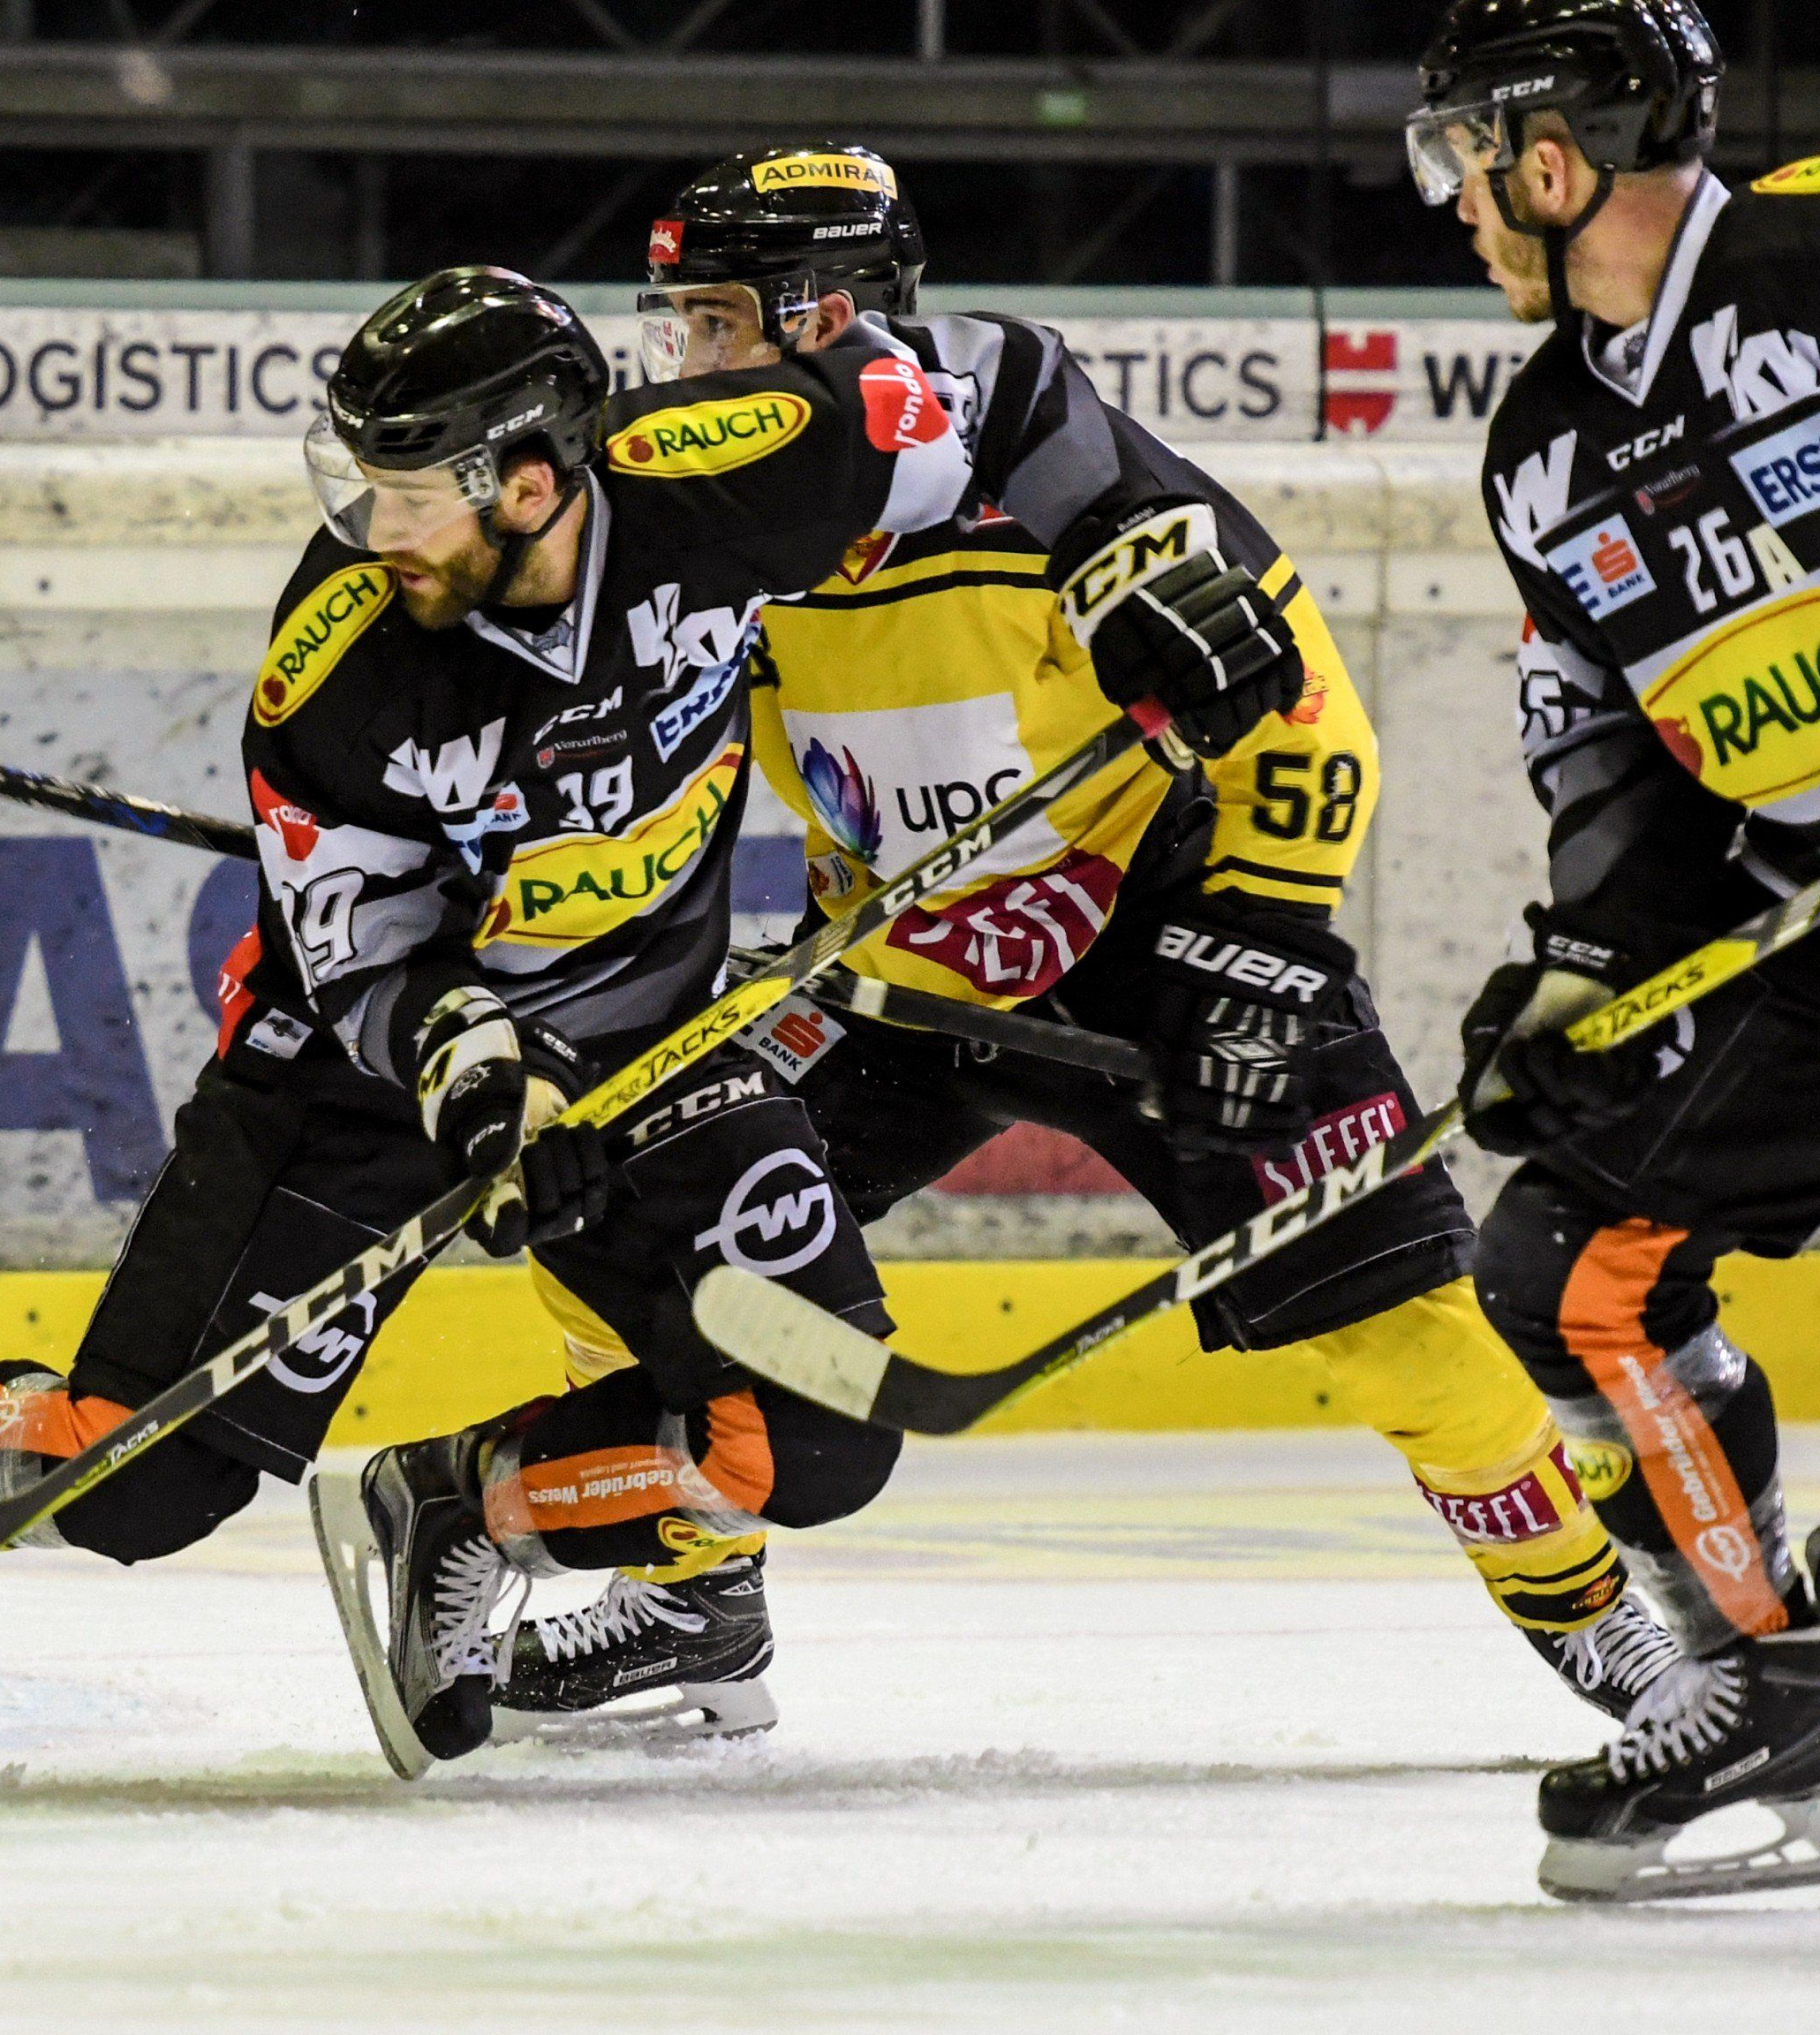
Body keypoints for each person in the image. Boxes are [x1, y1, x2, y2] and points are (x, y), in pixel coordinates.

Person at [0, 261, 1307, 1771]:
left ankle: (452, 1506)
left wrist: (1140, 553)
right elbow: (364, 959)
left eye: (404, 492)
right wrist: (486, 1089)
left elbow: (996, 384)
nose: (366, 527)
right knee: (138, 1487)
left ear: (541, 478)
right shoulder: (343, 658)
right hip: (361, 1079)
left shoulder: (731, 476)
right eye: (356, 483)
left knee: (816, 1435)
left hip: (654, 1047)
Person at [487, 141, 1674, 1746]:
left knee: (1406, 1332)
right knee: (628, 1196)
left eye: (709, 325)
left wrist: (1258, 936)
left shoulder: (1050, 479)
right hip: (900, 966)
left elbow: (1307, 713)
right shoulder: (711, 541)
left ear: (823, 318)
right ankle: (698, 1600)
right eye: (672, 327)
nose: (680, 368)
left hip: (1165, 945)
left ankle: (1635, 1642)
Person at [1411, 0, 1820, 1898]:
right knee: (1571, 1261)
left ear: (1550, 160)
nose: (1465, 214)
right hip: (1798, 905)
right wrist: (1582, 963)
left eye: (1466, 169)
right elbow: (1618, 770)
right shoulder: (1544, 447)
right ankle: (1777, 1672)